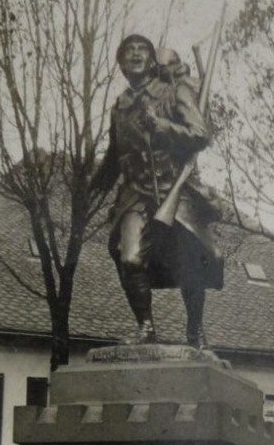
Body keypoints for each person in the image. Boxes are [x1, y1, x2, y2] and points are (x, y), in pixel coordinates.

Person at [91, 36, 223, 348]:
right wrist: (94, 183)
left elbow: (200, 134)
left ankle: (195, 332)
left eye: (142, 50)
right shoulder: (120, 107)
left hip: (172, 188)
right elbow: (114, 154)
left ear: (152, 61)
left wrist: (161, 125)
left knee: (191, 262)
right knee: (132, 259)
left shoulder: (174, 91)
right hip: (135, 193)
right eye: (128, 51)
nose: (135, 55)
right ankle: (146, 328)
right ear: (121, 64)